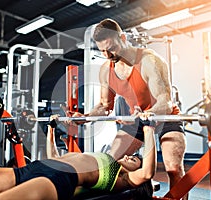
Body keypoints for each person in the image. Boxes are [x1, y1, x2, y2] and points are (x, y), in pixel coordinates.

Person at [69, 18, 187, 198]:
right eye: (103, 51)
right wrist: (85, 116)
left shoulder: (149, 61)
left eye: (111, 48)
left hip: (165, 117)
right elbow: (104, 106)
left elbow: (166, 101)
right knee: (108, 162)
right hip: (137, 120)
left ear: (122, 38)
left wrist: (150, 114)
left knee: (173, 167)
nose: (108, 55)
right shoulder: (106, 70)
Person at [0, 115, 156, 200]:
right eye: (132, 155)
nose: (130, 156)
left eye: (135, 159)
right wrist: (51, 129)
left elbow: (147, 172)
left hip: (53, 181)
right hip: (32, 169)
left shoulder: (119, 178)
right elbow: (53, 155)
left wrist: (148, 129)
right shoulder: (98, 155)